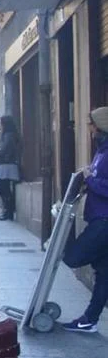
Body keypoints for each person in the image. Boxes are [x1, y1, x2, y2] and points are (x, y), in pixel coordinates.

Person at [62, 107, 108, 333]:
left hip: (104, 220)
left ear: (100, 126)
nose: (89, 129)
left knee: (72, 257)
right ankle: (89, 320)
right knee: (104, 274)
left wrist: (90, 179)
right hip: (98, 218)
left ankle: (89, 319)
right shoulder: (101, 151)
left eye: (91, 124)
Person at [0, 116, 21, 221]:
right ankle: (8, 210)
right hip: (7, 163)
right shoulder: (9, 134)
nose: (0, 125)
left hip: (6, 163)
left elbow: (4, 148)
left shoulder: (8, 135)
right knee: (5, 187)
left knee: (1, 186)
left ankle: (8, 210)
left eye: (1, 123)